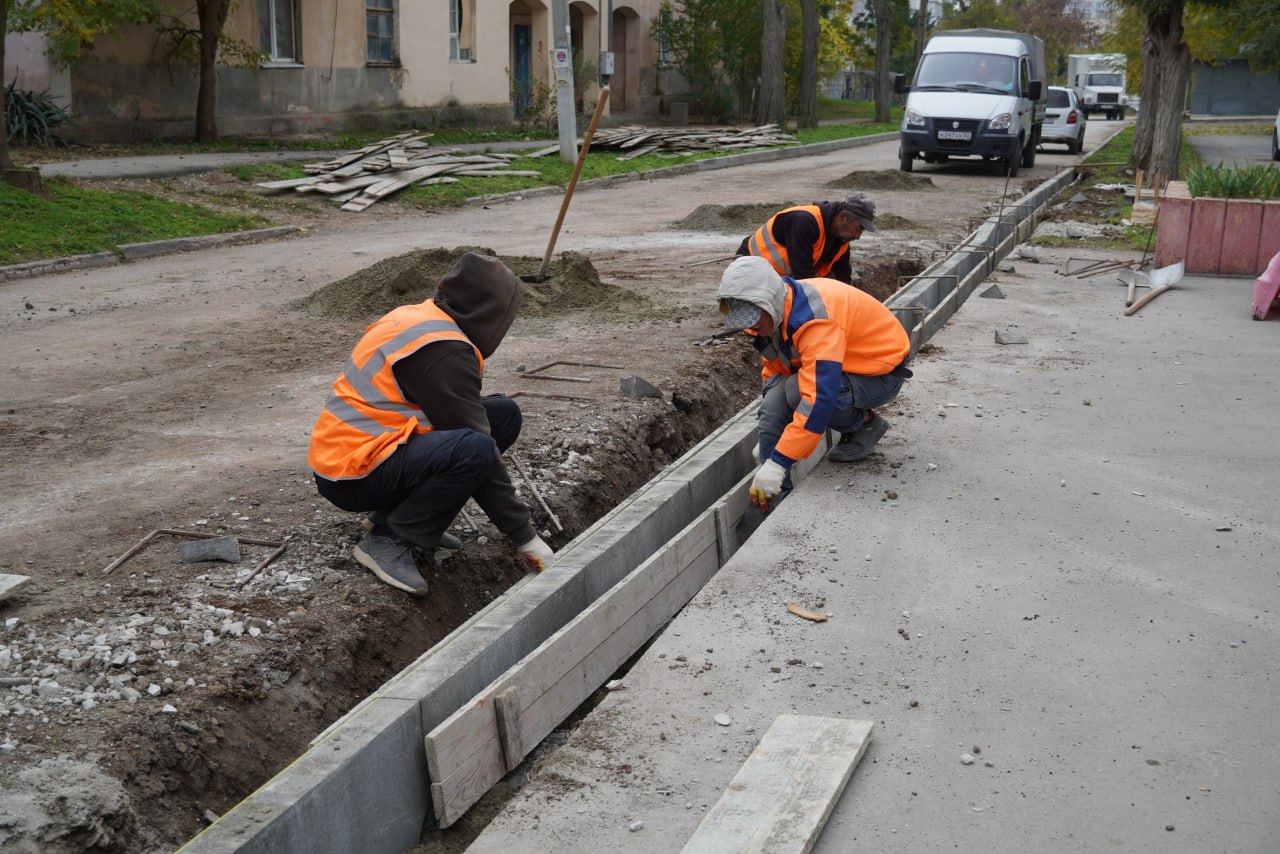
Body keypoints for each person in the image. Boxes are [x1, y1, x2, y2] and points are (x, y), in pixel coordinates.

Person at [307, 252, 554, 596]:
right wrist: (525, 537)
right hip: (354, 471)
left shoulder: (423, 319)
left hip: (366, 451)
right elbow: (479, 447)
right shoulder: (441, 351)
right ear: (489, 314)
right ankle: (390, 540)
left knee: (503, 414)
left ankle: (394, 514)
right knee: (475, 450)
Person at [716, 255, 912, 513]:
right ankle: (778, 507)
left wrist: (778, 462)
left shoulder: (815, 319)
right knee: (782, 394)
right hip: (841, 367)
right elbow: (774, 381)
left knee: (798, 391)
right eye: (745, 320)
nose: (751, 326)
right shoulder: (771, 318)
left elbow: (819, 397)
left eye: (754, 318)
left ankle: (864, 425)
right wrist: (769, 442)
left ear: (769, 302)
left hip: (878, 373)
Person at [737, 192, 877, 286]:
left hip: (780, 277)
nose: (858, 236)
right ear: (843, 217)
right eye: (858, 228)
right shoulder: (804, 221)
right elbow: (804, 278)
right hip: (750, 272)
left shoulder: (841, 240)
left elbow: (843, 279)